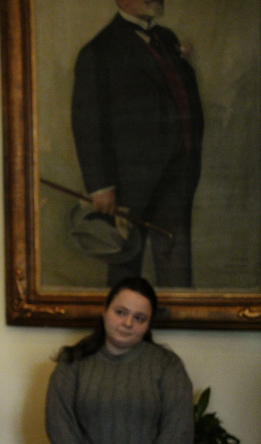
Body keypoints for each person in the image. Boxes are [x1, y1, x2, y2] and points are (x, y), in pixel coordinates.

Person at [71, 0, 203, 287]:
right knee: (125, 272)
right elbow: (88, 124)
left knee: (176, 269)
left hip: (177, 173)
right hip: (127, 184)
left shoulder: (166, 38)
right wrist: (100, 186)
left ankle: (181, 314)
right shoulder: (98, 51)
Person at [45, 276, 196, 444]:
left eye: (139, 318)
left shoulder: (168, 366)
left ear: (148, 324)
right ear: (105, 311)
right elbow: (59, 425)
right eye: (120, 312)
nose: (128, 323)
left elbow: (178, 431)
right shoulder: (72, 362)